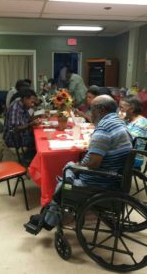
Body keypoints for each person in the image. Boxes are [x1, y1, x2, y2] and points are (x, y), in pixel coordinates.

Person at [25, 95, 132, 233]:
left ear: (101, 110)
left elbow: (93, 163)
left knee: (67, 170)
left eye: (91, 109)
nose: (90, 113)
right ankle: (55, 205)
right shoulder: (118, 122)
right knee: (70, 168)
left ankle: (49, 219)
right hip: (115, 176)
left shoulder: (104, 129)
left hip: (98, 181)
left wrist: (77, 167)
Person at [3, 88, 41, 155]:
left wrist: (40, 116)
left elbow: (28, 119)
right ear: (24, 99)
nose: (33, 105)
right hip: (13, 139)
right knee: (39, 141)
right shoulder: (15, 108)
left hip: (22, 135)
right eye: (31, 102)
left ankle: (31, 157)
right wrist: (30, 124)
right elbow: (14, 129)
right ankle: (28, 160)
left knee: (39, 136)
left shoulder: (23, 105)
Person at [119, 94, 147, 167]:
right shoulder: (128, 119)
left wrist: (120, 122)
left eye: (121, 108)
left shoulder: (142, 123)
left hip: (133, 158)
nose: (120, 110)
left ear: (131, 109)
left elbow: (128, 141)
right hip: (125, 154)